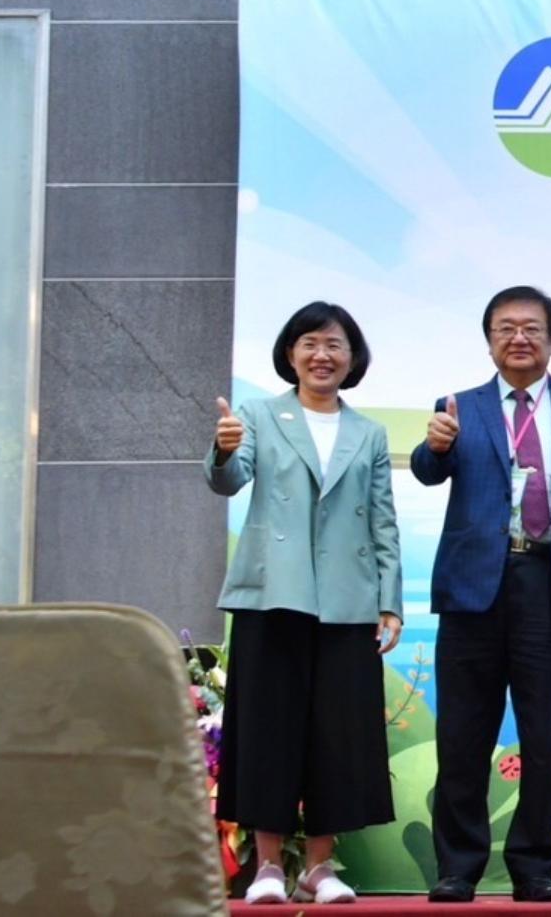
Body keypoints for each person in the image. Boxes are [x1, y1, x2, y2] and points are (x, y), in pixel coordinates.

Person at [413, 286, 551, 905]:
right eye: (506, 328)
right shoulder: (460, 405)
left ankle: (535, 866)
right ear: (489, 341)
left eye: (532, 327)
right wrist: (434, 445)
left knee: (546, 735)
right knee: (463, 734)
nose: (519, 337)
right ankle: (459, 867)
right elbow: (428, 470)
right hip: (474, 584)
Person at [207, 301, 401, 907]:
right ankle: (267, 866)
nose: (322, 355)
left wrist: (390, 602)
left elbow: (383, 521)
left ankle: (320, 867)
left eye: (335, 344)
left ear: (352, 357)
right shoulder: (258, 416)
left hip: (348, 600)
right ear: (290, 353)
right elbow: (228, 479)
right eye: (310, 343)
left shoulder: (369, 433)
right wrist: (222, 449)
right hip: (273, 595)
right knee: (268, 728)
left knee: (338, 734)